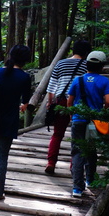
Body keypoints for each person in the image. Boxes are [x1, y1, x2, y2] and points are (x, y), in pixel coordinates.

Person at [0, 45, 32, 201]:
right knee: (2, 156)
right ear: (26, 60)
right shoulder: (25, 77)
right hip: (9, 120)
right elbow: (25, 102)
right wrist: (21, 105)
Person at [66, 50, 109, 198]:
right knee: (91, 150)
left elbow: (70, 101)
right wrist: (103, 112)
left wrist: (72, 114)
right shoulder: (104, 81)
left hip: (78, 120)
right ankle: (90, 180)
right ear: (102, 66)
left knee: (77, 152)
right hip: (94, 121)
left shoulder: (77, 80)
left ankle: (77, 188)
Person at [43, 40, 91, 174]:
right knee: (79, 136)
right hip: (80, 103)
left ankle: (51, 162)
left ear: (73, 50)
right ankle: (74, 166)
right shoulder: (87, 65)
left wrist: (50, 102)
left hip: (62, 101)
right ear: (86, 52)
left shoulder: (61, 63)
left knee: (57, 134)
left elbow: (52, 85)